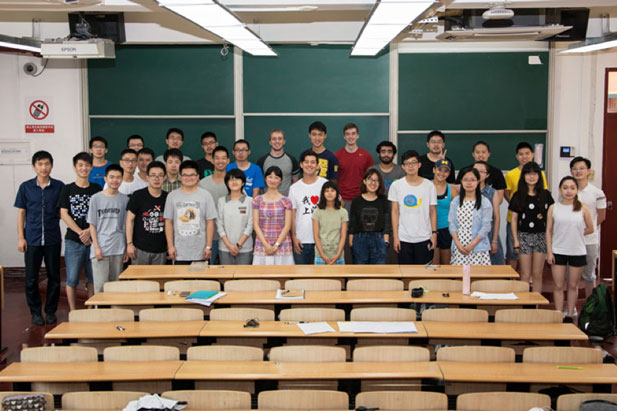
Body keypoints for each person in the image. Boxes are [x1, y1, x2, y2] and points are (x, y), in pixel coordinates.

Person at [14, 151, 64, 325]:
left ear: (52, 165)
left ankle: (50, 311)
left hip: (52, 239)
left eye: (47, 164)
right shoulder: (25, 187)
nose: (44, 168)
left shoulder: (59, 186)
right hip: (32, 239)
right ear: (34, 166)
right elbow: (21, 213)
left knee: (54, 277)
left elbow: (63, 212)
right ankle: (35, 312)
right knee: (31, 278)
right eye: (40, 164)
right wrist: (21, 237)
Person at [547, 176, 594, 322]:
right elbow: (548, 231)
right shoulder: (554, 208)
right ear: (560, 189)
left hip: (577, 251)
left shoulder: (583, 207)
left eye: (572, 188)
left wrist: (576, 233)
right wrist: (549, 252)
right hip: (558, 251)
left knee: (573, 285)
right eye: (565, 188)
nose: (569, 191)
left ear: (577, 190)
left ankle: (569, 315)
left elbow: (591, 228)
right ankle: (558, 313)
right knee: (558, 285)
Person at [58, 152, 101, 311]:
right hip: (73, 241)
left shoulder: (97, 189)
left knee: (92, 278)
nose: (84, 168)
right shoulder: (67, 189)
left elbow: (99, 214)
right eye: (80, 165)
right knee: (72, 279)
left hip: (93, 240)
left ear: (91, 167)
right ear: (75, 167)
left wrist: (89, 231)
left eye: (87, 165)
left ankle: (90, 309)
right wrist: (80, 233)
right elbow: (63, 213)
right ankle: (73, 311)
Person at [509, 161, 554, 292]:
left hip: (541, 236)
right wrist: (516, 240)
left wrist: (551, 239)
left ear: (539, 176)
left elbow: (551, 219)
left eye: (535, 173)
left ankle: (536, 306)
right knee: (524, 274)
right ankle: (525, 305)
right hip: (524, 237)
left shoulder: (546, 195)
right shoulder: (518, 195)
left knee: (537, 274)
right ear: (523, 176)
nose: (531, 176)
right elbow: (514, 219)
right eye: (528, 173)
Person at [388, 150, 438, 264]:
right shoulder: (396, 185)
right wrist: (396, 237)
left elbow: (433, 211)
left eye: (414, 163)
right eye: (407, 163)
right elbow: (395, 212)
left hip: (424, 237)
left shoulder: (429, 185)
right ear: (403, 167)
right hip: (403, 238)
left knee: (424, 274)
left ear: (419, 165)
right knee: (406, 274)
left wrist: (434, 234)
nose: (411, 166)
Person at [504, 142, 548, 270]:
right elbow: (508, 195)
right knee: (513, 251)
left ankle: (529, 280)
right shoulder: (511, 174)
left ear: (533, 155)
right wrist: (519, 208)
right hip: (514, 219)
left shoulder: (541, 174)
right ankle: (512, 279)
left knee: (532, 251)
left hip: (535, 222)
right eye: (521, 154)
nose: (524, 156)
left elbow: (543, 194)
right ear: (517, 156)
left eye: (527, 153)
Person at [164, 160, 217, 264]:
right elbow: (168, 222)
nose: (188, 178)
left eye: (192, 175)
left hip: (201, 251)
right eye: (185, 175)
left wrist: (208, 246)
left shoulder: (206, 195)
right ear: (180, 176)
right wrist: (170, 246)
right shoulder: (172, 196)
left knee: (201, 280)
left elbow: (210, 222)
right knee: (179, 280)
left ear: (198, 177)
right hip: (179, 252)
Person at [87, 164, 129, 293]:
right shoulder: (95, 198)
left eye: (118, 177)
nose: (115, 180)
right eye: (111, 177)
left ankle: (115, 313)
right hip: (101, 249)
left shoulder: (125, 199)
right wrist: (96, 247)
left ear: (122, 179)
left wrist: (126, 248)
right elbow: (92, 225)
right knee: (100, 287)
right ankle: (99, 313)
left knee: (115, 287)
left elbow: (125, 225)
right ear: (105, 179)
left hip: (118, 248)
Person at [570, 156, 607, 297]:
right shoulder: (568, 190)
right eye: (575, 169)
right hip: (571, 241)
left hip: (589, 240)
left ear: (588, 171)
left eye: (581, 168)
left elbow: (601, 217)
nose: (578, 171)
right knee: (571, 277)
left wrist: (584, 230)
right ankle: (571, 307)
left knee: (589, 276)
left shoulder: (597, 193)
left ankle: (591, 307)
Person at [126, 161, 168, 265]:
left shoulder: (168, 198)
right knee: (139, 281)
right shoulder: (138, 196)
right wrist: (129, 243)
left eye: (160, 175)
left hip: (161, 249)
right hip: (140, 249)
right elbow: (129, 220)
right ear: (147, 178)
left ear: (165, 178)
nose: (156, 179)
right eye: (153, 175)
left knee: (159, 280)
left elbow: (170, 224)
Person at [288, 150, 327, 265]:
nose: (309, 165)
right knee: (301, 279)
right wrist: (293, 237)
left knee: (322, 280)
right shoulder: (294, 188)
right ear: (301, 164)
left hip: (322, 241)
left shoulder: (325, 185)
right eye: (306, 162)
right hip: (301, 241)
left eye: (313, 162)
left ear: (317, 165)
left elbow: (338, 205)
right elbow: (292, 215)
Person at [448, 167, 493, 266]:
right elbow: (452, 224)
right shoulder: (455, 201)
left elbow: (486, 227)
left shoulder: (485, 202)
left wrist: (471, 245)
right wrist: (458, 244)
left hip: (478, 247)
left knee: (478, 279)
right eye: (465, 180)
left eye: (472, 180)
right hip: (459, 247)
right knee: (459, 278)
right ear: (461, 181)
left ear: (478, 181)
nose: (469, 183)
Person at [252, 166, 294, 265]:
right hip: (262, 244)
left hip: (282, 244)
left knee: (283, 277)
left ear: (281, 181)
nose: (273, 180)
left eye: (276, 178)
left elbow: (287, 226)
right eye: (270, 177)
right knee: (262, 277)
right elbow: (256, 224)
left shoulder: (286, 201)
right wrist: (266, 245)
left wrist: (276, 245)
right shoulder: (257, 200)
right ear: (265, 179)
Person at [349, 169, 390, 265]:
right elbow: (352, 222)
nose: (373, 183)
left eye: (376, 180)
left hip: (379, 239)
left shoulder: (383, 200)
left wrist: (386, 239)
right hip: (360, 239)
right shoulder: (356, 201)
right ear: (364, 181)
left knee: (378, 273)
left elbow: (387, 220)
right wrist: (351, 241)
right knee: (360, 273)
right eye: (370, 179)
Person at [199, 146, 231, 263]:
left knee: (228, 272)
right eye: (217, 158)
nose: (220, 161)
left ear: (228, 161)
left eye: (223, 158)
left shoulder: (234, 183)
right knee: (206, 271)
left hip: (229, 236)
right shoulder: (202, 183)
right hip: (208, 237)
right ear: (212, 160)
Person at [217, 168, 254, 265]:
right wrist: (229, 246)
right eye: (230, 179)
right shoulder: (221, 201)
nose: (234, 182)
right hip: (225, 248)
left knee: (243, 279)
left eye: (237, 179)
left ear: (243, 183)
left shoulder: (250, 201)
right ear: (227, 183)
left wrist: (238, 245)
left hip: (245, 248)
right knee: (226, 278)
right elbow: (219, 225)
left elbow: (250, 226)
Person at [335, 123, 374, 212]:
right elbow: (334, 179)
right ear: (344, 137)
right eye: (347, 134)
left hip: (361, 198)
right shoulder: (336, 156)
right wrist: (338, 198)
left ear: (357, 136)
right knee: (344, 226)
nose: (350, 136)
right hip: (342, 200)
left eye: (353, 133)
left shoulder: (366, 156)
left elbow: (371, 179)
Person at [474, 160, 505, 265]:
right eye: (475, 170)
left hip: (489, 235)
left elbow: (496, 217)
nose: (478, 173)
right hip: (470, 236)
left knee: (494, 268)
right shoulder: (465, 191)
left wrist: (495, 240)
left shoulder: (492, 193)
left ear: (487, 175)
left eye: (482, 171)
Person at [313, 182, 349, 265]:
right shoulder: (317, 212)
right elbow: (316, 235)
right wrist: (322, 255)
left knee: (339, 278)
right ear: (323, 194)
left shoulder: (343, 212)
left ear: (337, 193)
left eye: (332, 190)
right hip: (320, 255)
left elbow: (343, 236)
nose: (329, 193)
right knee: (320, 278)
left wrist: (338, 254)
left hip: (338, 255)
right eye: (326, 191)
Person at [256, 129, 300, 196]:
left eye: (280, 139)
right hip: (267, 203)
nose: (277, 141)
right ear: (270, 142)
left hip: (287, 202)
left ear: (284, 141)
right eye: (274, 139)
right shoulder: (262, 161)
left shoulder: (292, 160)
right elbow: (258, 185)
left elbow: (296, 184)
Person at [433, 159, 459, 265]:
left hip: (446, 230)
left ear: (449, 173)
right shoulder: (426, 187)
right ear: (434, 170)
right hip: (429, 230)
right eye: (439, 170)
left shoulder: (452, 190)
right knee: (433, 266)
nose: (442, 173)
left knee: (446, 265)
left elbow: (458, 212)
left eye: (446, 171)